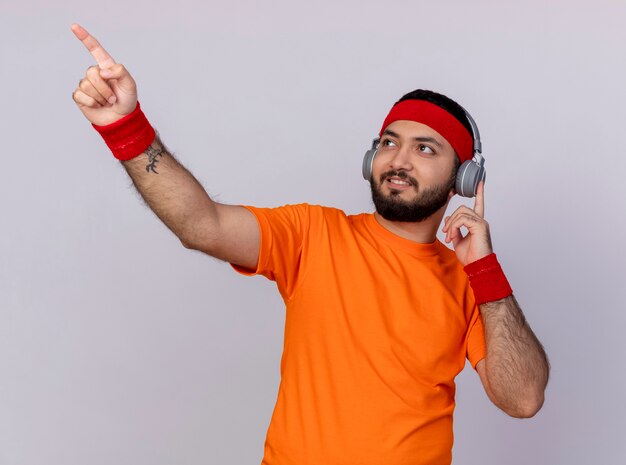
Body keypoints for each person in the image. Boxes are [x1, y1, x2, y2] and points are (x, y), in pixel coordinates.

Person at [71, 23, 549, 465]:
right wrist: (123, 124)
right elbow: (201, 224)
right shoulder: (313, 234)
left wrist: (484, 268)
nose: (398, 159)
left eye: (425, 148)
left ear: (463, 179)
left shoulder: (473, 283)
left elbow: (523, 398)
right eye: (389, 142)